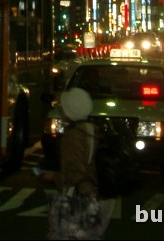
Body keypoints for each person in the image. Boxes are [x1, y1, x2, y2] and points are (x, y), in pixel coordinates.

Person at [47, 87, 114, 240]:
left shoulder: (74, 135)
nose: (61, 109)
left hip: (80, 196)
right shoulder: (92, 129)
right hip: (95, 194)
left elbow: (75, 172)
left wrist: (53, 177)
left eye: (63, 106)